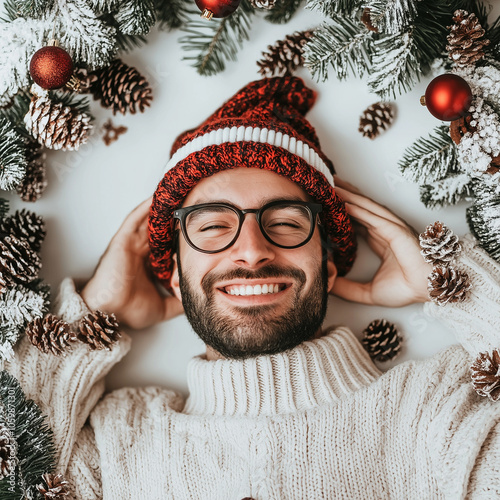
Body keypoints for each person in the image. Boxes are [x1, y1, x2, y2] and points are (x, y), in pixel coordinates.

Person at [4, 77, 500, 499]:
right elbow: (11, 464)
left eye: (285, 222)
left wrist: (449, 282)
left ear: (328, 268)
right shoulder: (119, 441)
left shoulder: (437, 410)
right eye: (213, 226)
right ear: (175, 275)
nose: (251, 250)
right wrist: (93, 316)